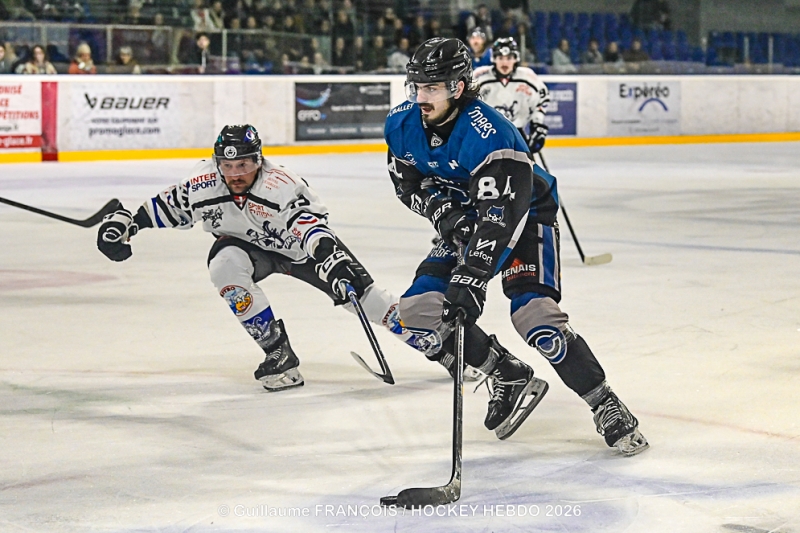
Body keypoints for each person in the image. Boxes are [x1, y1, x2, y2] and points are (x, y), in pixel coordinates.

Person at [384, 37, 649, 455]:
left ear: (457, 86)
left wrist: (472, 277)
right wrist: (444, 214)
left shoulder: (491, 134)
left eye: (432, 87)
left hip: (524, 217)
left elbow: (502, 216)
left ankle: (605, 403)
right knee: (417, 312)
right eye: (416, 86)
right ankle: (506, 372)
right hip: (470, 222)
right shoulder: (401, 124)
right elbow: (407, 184)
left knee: (535, 318)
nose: (421, 97)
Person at [97, 125, 420, 392]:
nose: (236, 174)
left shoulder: (281, 184)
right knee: (224, 266)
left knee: (365, 299)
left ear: (259, 161)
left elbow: (309, 224)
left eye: (244, 165)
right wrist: (129, 222)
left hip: (302, 251)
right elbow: (170, 206)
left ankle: (440, 345)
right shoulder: (203, 183)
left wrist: (329, 258)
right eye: (228, 165)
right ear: (217, 163)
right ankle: (278, 352)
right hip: (250, 250)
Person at [475, 37, 550, 156]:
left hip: (517, 134)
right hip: (485, 135)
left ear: (515, 59)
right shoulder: (480, 77)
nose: (504, 63)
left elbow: (542, 99)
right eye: (500, 58)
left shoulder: (527, 77)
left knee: (523, 172)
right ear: (494, 59)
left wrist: (537, 124)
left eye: (509, 58)